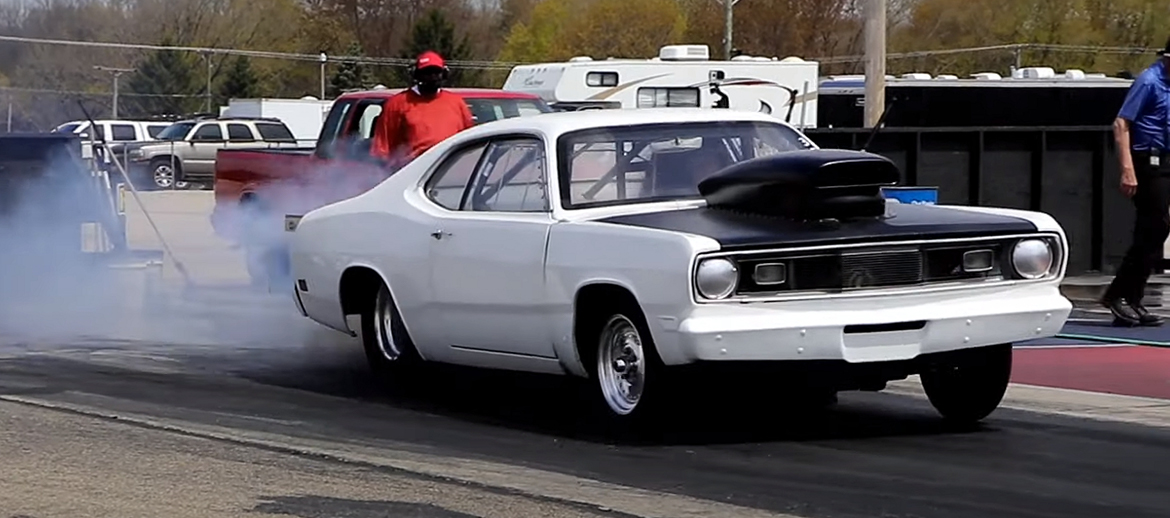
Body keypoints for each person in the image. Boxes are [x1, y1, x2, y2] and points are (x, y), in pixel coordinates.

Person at [1101, 37, 1170, 327]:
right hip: (1145, 160)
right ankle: (1118, 294)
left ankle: (1132, 297)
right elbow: (1122, 124)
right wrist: (1127, 169)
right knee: (1157, 225)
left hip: (1165, 159)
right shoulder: (1149, 81)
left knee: (1151, 231)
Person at [370, 50, 474, 168]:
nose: (432, 77)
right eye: (427, 73)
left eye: (436, 72)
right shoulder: (397, 104)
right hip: (412, 172)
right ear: (417, 75)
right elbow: (382, 148)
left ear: (444, 74)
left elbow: (469, 143)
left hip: (450, 172)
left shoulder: (457, 103)